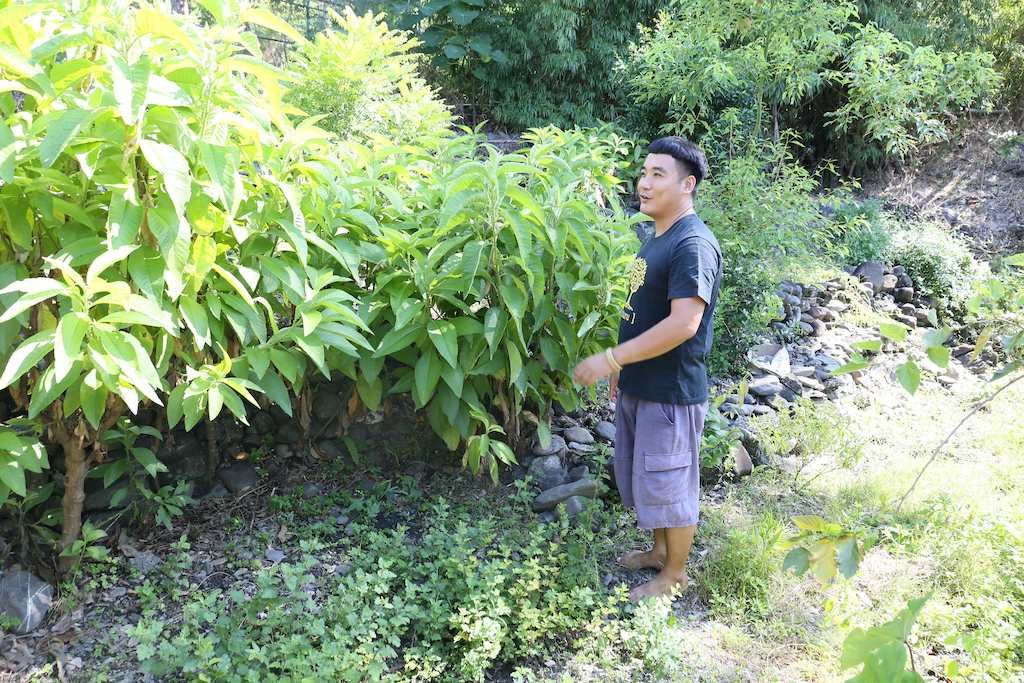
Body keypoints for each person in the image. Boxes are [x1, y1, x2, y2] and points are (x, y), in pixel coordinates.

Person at [572, 136, 722, 601]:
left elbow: (684, 323)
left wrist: (610, 358)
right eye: (644, 172)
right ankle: (660, 552)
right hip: (643, 381)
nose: (645, 182)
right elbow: (645, 309)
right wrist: (624, 365)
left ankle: (674, 575)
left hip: (670, 391)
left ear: (687, 185)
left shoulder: (692, 243)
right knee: (650, 476)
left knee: (671, 480)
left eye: (659, 174)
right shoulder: (657, 238)